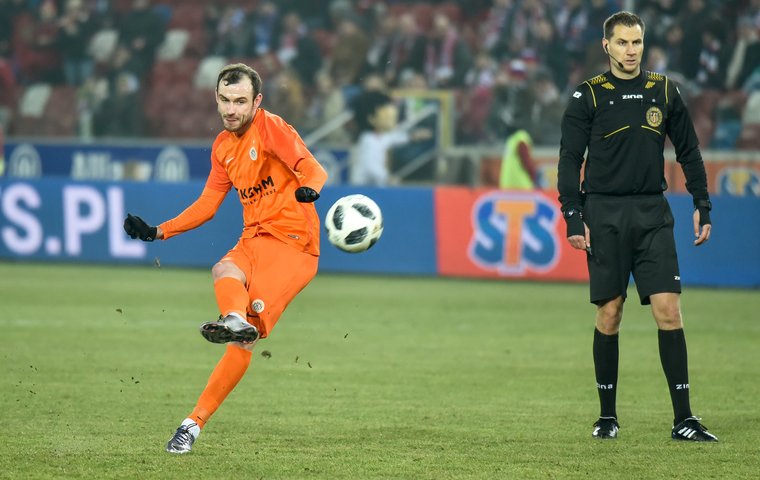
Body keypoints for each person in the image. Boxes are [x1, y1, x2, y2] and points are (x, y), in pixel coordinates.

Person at [123, 63, 328, 454]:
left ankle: (193, 422)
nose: (231, 109)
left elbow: (312, 168)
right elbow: (207, 204)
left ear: (257, 101)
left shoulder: (271, 128)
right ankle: (228, 333)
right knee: (223, 270)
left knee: (244, 340)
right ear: (215, 98)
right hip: (254, 236)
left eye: (240, 101)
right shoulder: (223, 147)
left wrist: (310, 190)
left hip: (294, 244)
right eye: (224, 100)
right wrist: (157, 231)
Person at [557, 11, 718, 442]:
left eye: (638, 43)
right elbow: (569, 159)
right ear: (606, 46)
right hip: (604, 214)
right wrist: (572, 213)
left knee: (669, 311)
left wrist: (702, 203)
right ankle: (607, 416)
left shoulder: (664, 90)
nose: (632, 51)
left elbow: (689, 150)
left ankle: (683, 418)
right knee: (610, 313)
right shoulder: (586, 96)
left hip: (651, 213)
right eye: (623, 43)